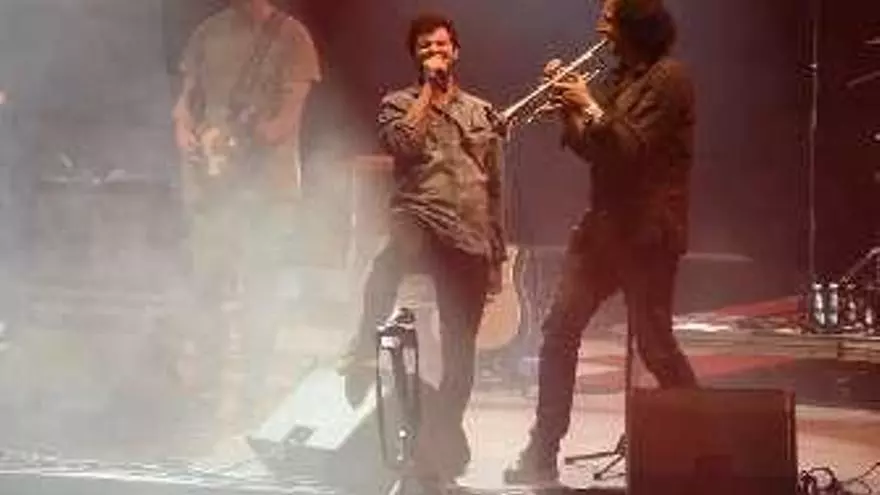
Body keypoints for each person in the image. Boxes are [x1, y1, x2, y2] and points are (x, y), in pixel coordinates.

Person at [504, 0, 698, 484]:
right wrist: (569, 112)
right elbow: (597, 150)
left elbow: (632, 149)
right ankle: (542, 449)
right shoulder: (616, 78)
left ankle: (705, 446)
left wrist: (587, 102)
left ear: (635, 23)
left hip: (649, 233)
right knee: (558, 330)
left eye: (608, 18)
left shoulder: (668, 78)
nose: (599, 27)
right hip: (604, 230)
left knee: (655, 347)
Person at [338, 12, 506, 494]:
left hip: (470, 232)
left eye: (442, 45)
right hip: (421, 216)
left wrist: (497, 254)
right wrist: (428, 95)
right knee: (392, 258)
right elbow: (403, 145)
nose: (436, 52)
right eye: (426, 47)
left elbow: (496, 187)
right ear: (416, 55)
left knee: (461, 351)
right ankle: (362, 348)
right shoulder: (397, 104)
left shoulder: (483, 112)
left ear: (456, 51)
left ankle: (440, 446)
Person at [171, 0, 320, 405]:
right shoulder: (206, 32)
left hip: (266, 188)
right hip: (212, 187)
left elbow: (286, 120)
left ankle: (255, 387)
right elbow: (185, 102)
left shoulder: (291, 36)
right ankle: (206, 387)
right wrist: (185, 131)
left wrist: (243, 138)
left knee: (260, 291)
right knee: (206, 285)